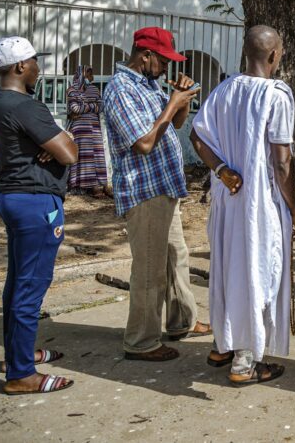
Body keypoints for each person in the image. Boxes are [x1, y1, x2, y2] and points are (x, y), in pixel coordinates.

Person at [189, 26, 295, 386]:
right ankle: (244, 362)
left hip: (228, 200)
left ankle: (223, 344)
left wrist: (221, 170)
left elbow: (196, 135)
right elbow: (282, 162)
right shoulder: (276, 95)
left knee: (228, 270)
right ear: (273, 55)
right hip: (260, 203)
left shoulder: (224, 90)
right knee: (258, 276)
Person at [103, 27, 208, 362]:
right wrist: (172, 104)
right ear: (144, 56)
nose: (166, 68)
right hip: (143, 189)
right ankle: (141, 341)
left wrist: (180, 100)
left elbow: (173, 125)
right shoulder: (120, 89)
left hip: (165, 187)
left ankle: (182, 322)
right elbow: (144, 142)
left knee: (176, 257)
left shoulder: (149, 85)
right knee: (149, 269)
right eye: (163, 61)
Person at [0, 36, 78, 395]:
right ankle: (21, 374)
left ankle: (18, 355)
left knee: (17, 284)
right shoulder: (26, 106)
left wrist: (54, 144)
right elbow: (69, 152)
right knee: (30, 288)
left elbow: (56, 146)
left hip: (13, 196)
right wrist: (60, 142)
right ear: (22, 67)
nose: (40, 68)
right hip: (35, 202)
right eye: (36, 61)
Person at [66, 66, 109, 196]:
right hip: (80, 129)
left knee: (96, 156)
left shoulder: (95, 89)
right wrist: (91, 106)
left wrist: (84, 106)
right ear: (81, 75)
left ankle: (96, 185)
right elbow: (74, 108)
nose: (92, 78)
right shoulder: (72, 90)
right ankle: (82, 185)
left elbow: (101, 106)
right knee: (84, 156)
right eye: (89, 75)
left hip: (94, 127)